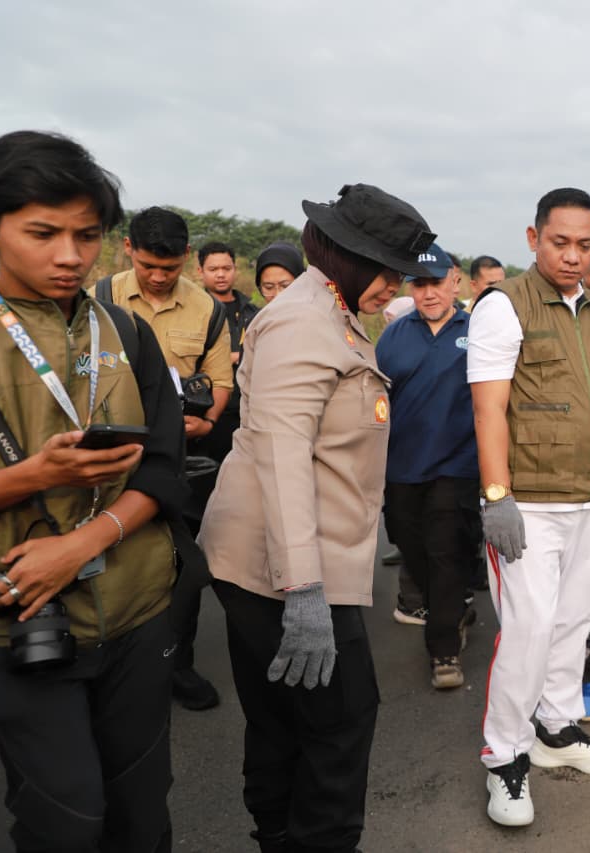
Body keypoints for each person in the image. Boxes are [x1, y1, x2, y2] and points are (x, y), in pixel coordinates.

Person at [199, 183, 434, 853]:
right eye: (387, 270)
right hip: (285, 565)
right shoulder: (304, 319)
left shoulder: (334, 309)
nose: (395, 285)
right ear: (348, 256)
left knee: (282, 714)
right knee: (339, 719)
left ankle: (279, 833)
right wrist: (304, 589)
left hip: (289, 557)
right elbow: (282, 457)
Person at [0, 129, 186, 853]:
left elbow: (165, 467)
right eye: (42, 233)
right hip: (18, 615)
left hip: (135, 607)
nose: (70, 256)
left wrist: (87, 540)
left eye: (87, 235)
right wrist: (34, 476)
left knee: (141, 810)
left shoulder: (128, 332)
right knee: (64, 818)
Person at [467, 188, 590, 827]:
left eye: (585, 244)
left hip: (587, 498)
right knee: (527, 630)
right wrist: (497, 497)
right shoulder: (502, 306)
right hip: (527, 506)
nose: (573, 256)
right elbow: (488, 406)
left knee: (575, 620)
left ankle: (557, 728)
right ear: (533, 237)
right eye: (559, 242)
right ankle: (506, 758)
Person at [94, 205, 232, 711]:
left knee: (183, 568)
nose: (157, 277)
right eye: (149, 265)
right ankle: (110, 665)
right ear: (128, 249)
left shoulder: (208, 311)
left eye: (169, 269)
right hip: (112, 458)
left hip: (183, 458)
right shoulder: (99, 297)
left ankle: (179, 662)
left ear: (187, 259)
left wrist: (208, 420)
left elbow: (220, 380)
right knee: (113, 557)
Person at [376, 246, 480, 690]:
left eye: (436, 282)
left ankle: (444, 652)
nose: (428, 292)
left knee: (444, 553)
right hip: (401, 469)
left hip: (456, 467)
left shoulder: (477, 331)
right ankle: (454, 609)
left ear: (455, 280)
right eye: (419, 284)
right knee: (412, 551)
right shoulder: (394, 336)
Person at [195, 240, 260, 465]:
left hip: (246, 413)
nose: (221, 275)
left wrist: (237, 357)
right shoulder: (193, 310)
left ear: (235, 269)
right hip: (205, 410)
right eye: (213, 269)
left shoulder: (253, 312)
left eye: (227, 268)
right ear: (200, 271)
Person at [255, 240, 305, 305]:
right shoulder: (255, 314)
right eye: (269, 287)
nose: (277, 295)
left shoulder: (317, 313)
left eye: (285, 286)